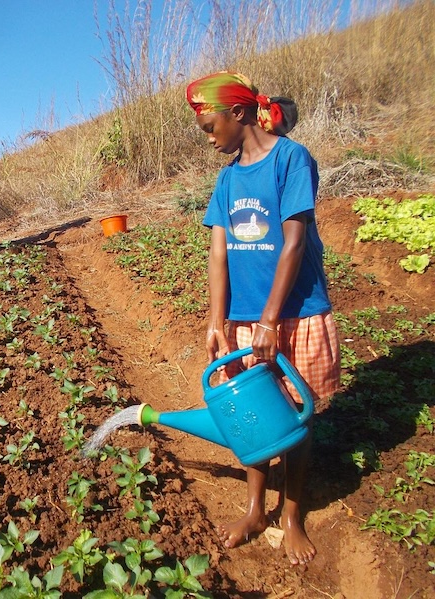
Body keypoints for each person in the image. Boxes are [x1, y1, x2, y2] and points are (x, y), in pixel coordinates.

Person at [186, 72, 340, 565]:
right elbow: (218, 254)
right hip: (246, 317)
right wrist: (217, 320)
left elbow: (294, 242)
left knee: (295, 413)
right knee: (253, 414)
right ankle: (255, 509)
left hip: (293, 314)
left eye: (210, 126)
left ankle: (291, 514)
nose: (209, 137)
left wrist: (272, 320)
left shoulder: (290, 159)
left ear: (238, 114)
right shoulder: (228, 179)